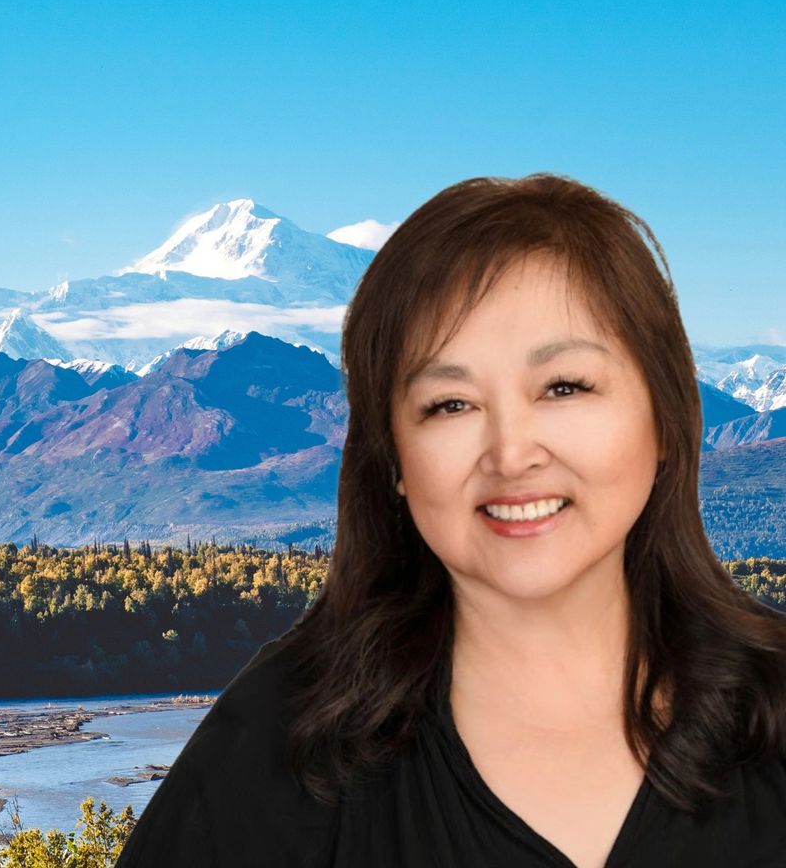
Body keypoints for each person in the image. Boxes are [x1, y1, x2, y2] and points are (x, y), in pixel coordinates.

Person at [115, 174, 786, 868]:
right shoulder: (279, 743)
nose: (512, 453)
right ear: (394, 459)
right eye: (450, 404)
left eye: (564, 387)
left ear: (667, 419)